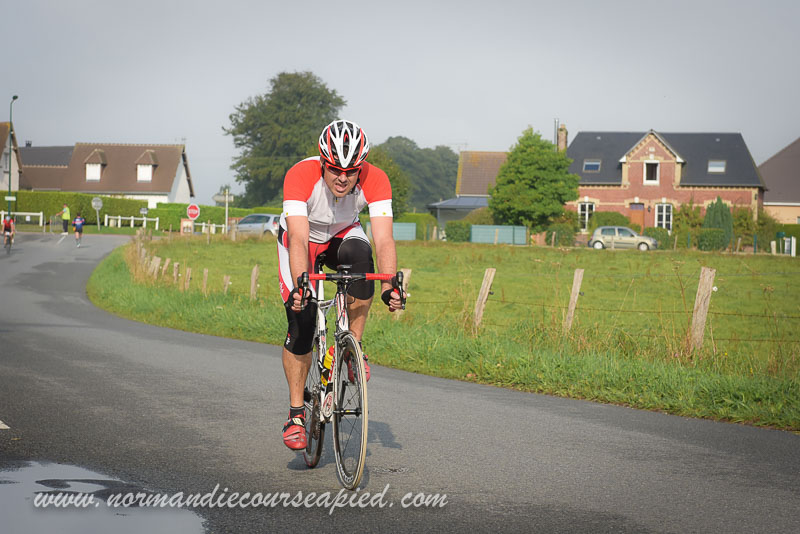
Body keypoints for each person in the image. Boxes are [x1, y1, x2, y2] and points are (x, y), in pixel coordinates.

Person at [277, 119, 404, 450]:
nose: (343, 178)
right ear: (323, 162)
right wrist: (302, 286)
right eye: (335, 169)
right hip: (302, 240)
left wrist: (390, 285)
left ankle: (351, 349)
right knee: (302, 321)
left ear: (361, 167)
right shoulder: (300, 175)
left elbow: (384, 239)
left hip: (342, 234)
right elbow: (299, 238)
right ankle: (296, 414)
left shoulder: (376, 179)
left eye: (351, 171)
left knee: (361, 260)